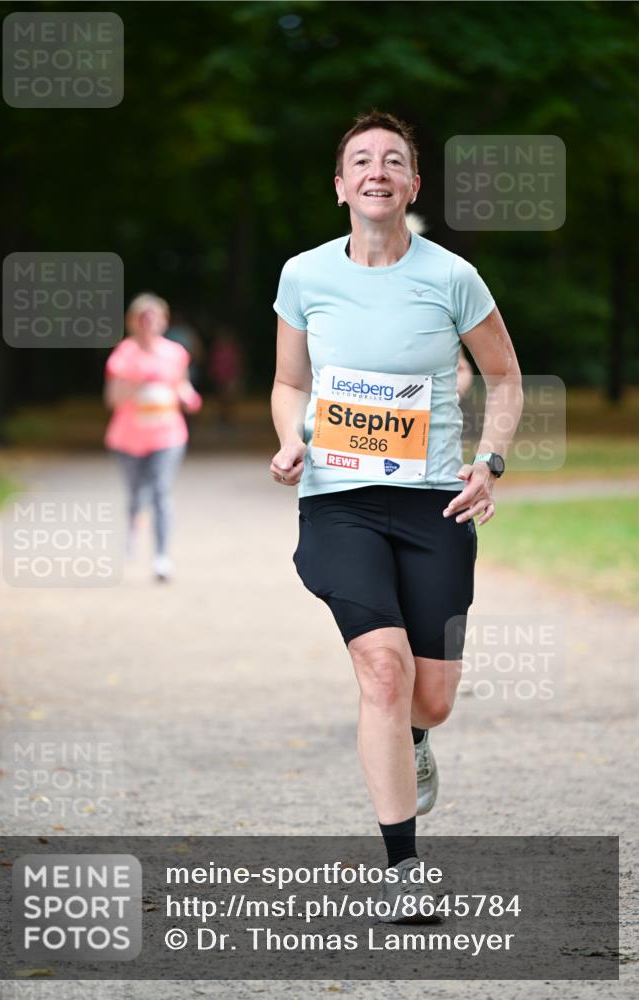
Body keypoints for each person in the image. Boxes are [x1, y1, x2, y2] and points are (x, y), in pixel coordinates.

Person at [270, 112, 522, 919]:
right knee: (382, 668)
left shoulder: (452, 276)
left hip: (432, 503)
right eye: (360, 161)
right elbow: (286, 384)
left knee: (431, 696)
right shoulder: (304, 276)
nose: (376, 171)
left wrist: (489, 462)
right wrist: (288, 441)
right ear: (340, 185)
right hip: (339, 502)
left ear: (412, 185)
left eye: (393, 161)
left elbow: (506, 378)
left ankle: (416, 741)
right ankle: (403, 865)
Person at [104, 293, 202, 581]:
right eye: (142, 317)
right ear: (132, 322)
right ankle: (133, 528)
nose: (148, 322)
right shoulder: (123, 355)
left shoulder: (175, 353)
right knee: (136, 493)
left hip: (167, 435)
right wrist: (137, 383)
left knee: (161, 491)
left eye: (154, 316)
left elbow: (182, 386)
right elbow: (112, 398)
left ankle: (161, 556)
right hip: (128, 438)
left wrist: (188, 397)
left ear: (163, 320)